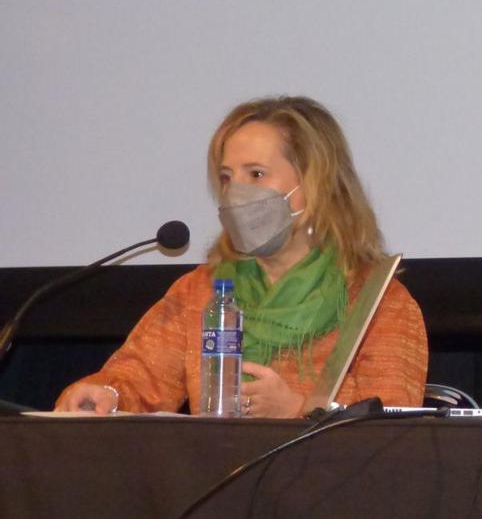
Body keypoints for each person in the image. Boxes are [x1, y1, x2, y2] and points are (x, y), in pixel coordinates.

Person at [55, 96, 429, 418]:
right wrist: (107, 395)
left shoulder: (380, 304)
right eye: (226, 177)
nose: (236, 192)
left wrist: (299, 408)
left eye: (256, 174)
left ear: (315, 185)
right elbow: (138, 378)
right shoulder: (199, 293)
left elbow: (392, 429)